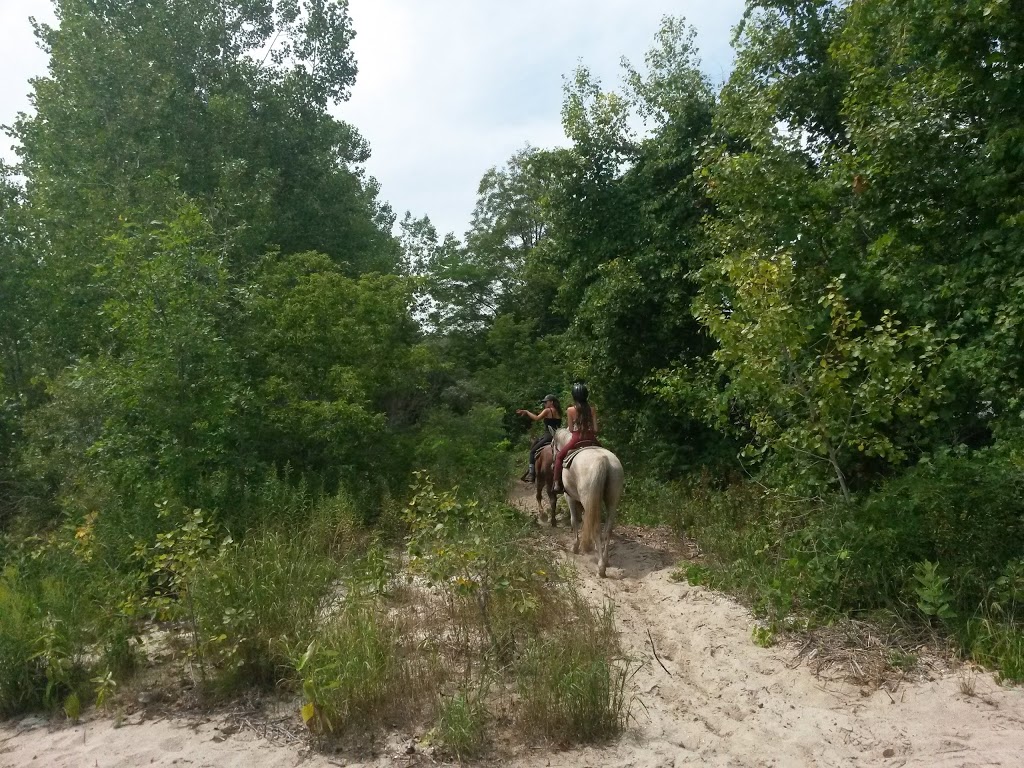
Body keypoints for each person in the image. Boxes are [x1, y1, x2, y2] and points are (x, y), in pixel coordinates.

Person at [552, 382, 599, 494]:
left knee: (559, 457)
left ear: (574, 396)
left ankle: (557, 483)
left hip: (577, 438)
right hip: (591, 438)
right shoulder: (592, 409)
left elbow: (572, 430)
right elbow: (596, 429)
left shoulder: (570, 410)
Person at [516, 394, 562, 483]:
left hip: (548, 436)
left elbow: (536, 418)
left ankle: (532, 474)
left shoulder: (547, 410)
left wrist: (527, 412)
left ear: (551, 402)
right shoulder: (558, 411)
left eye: (546, 402)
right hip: (557, 436)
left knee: (533, 451)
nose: (544, 404)